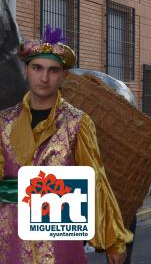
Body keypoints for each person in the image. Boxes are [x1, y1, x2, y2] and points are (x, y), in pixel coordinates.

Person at [0, 26, 132, 264]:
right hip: (10, 239)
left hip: (60, 242)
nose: (44, 78)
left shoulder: (77, 123)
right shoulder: (3, 123)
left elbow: (96, 181)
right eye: (37, 68)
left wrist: (114, 240)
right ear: (26, 71)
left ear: (63, 76)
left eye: (53, 70)